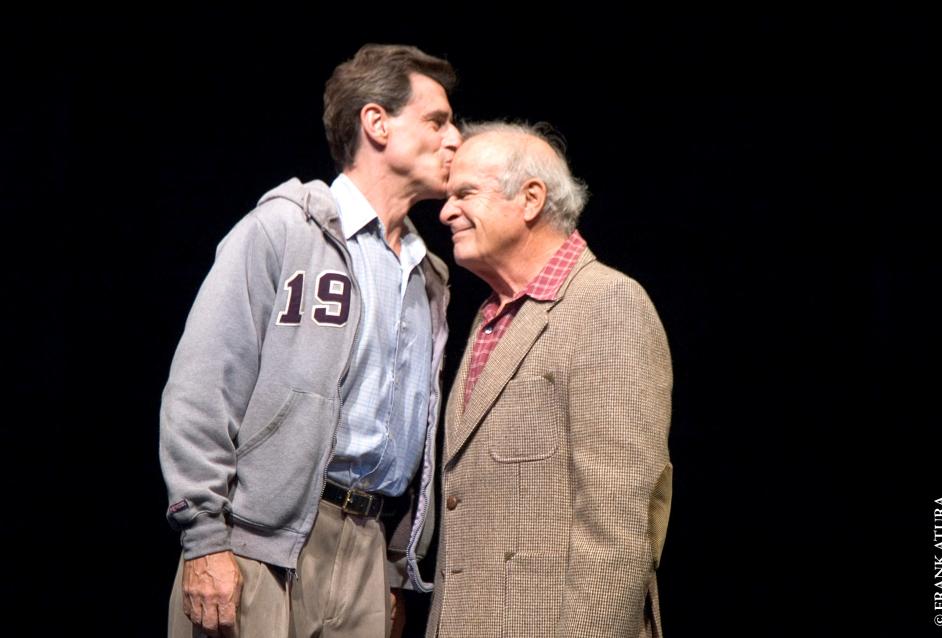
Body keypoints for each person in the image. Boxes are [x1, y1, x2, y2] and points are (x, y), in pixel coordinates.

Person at [160, 44, 462, 638]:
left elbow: (414, 431)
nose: (456, 139)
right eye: (437, 121)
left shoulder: (430, 278)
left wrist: (397, 569)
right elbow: (203, 383)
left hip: (369, 552)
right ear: (376, 122)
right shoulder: (283, 229)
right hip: (258, 545)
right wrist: (205, 540)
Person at [426, 122, 673, 637]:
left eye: (465, 193)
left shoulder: (607, 304)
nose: (446, 211)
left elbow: (617, 528)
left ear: (530, 198)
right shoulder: (490, 315)